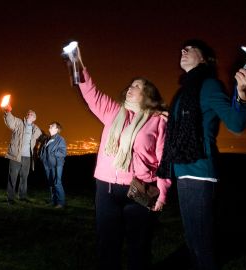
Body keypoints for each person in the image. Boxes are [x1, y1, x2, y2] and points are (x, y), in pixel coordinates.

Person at [156, 39, 246, 270]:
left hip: (200, 172)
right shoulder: (184, 91)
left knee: (202, 245)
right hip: (183, 171)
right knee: (192, 243)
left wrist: (241, 92)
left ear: (204, 59)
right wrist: (172, 117)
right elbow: (189, 123)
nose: (183, 50)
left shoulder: (210, 85)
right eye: (182, 48)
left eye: (190, 48)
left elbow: (236, 123)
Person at [71, 45, 171, 270]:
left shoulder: (157, 121)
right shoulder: (113, 112)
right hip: (106, 189)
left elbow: (165, 160)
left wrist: (163, 194)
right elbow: (91, 93)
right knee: (107, 245)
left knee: (139, 247)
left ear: (148, 95)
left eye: (137, 86)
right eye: (130, 85)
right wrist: (78, 64)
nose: (130, 88)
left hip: (140, 189)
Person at [3, 105, 42, 204]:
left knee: (24, 177)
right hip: (16, 155)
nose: (29, 114)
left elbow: (42, 137)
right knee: (13, 177)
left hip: (28, 157)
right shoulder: (19, 123)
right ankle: (10, 198)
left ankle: (22, 196)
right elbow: (10, 121)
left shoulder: (36, 129)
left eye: (32, 114)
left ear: (34, 118)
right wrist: (8, 112)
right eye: (28, 113)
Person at [39, 122, 67, 208]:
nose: (50, 126)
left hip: (56, 164)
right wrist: (42, 157)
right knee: (51, 183)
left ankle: (61, 203)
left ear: (57, 129)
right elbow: (44, 150)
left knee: (57, 183)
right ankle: (54, 201)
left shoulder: (60, 139)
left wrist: (53, 153)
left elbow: (63, 153)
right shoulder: (48, 138)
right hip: (47, 164)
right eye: (50, 125)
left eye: (52, 126)